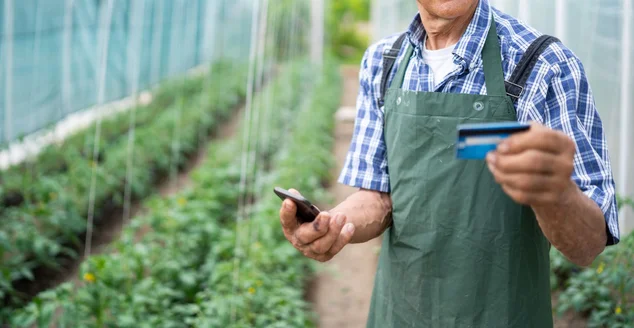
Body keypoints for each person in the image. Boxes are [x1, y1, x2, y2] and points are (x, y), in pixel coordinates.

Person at [279, 0, 620, 326]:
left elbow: (588, 245)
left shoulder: (541, 65)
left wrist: (555, 194)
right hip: (401, 312)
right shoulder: (383, 62)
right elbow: (379, 197)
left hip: (503, 314)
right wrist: (332, 226)